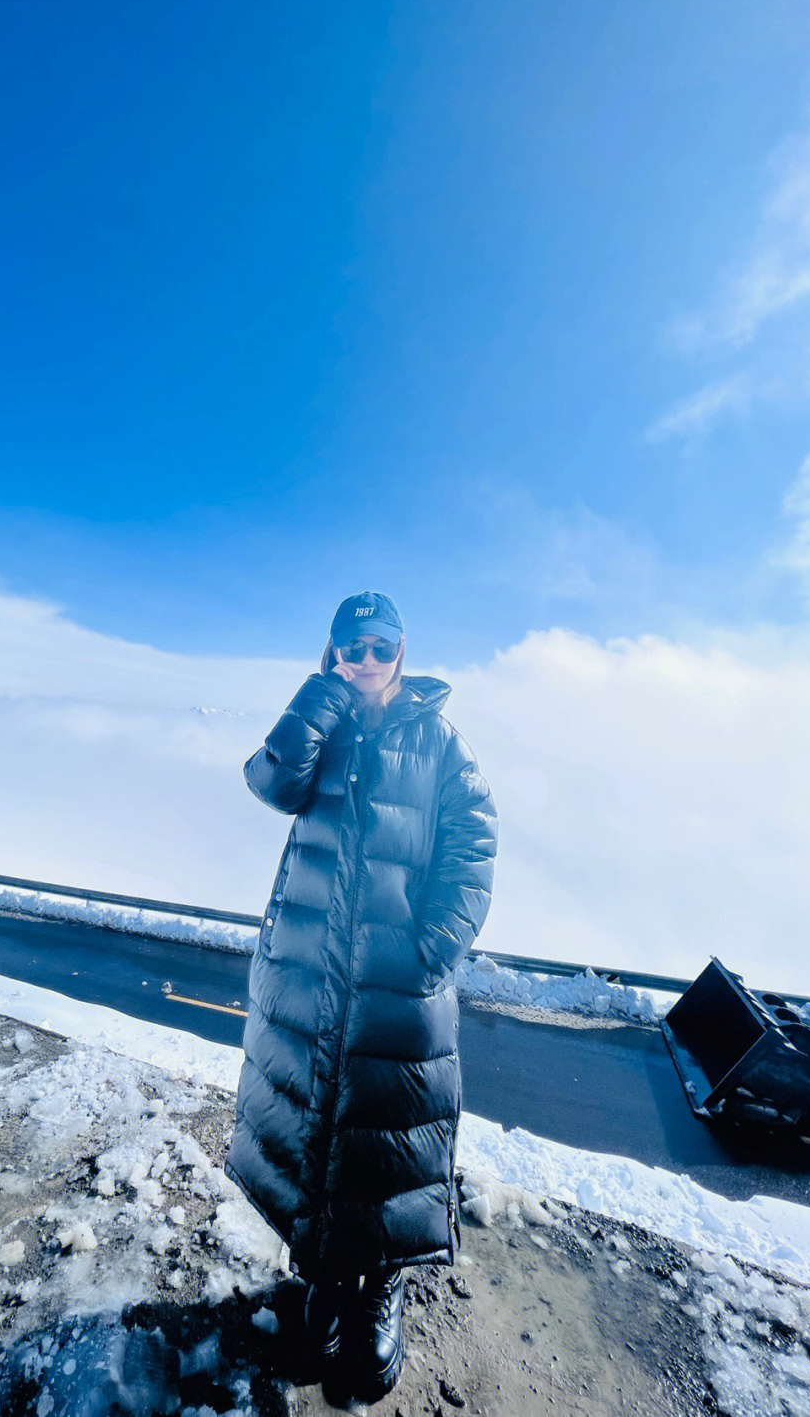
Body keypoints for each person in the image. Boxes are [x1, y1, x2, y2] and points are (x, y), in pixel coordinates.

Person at [224, 592, 498, 1403]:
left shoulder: (441, 741)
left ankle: (380, 1287)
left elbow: (473, 842)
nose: (367, 658)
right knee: (317, 1131)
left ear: (404, 651)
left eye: (381, 646)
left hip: (394, 985)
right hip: (309, 974)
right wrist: (319, 699)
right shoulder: (325, 722)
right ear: (333, 651)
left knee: (384, 1136)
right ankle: (322, 1276)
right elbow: (269, 781)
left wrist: (433, 950)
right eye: (352, 646)